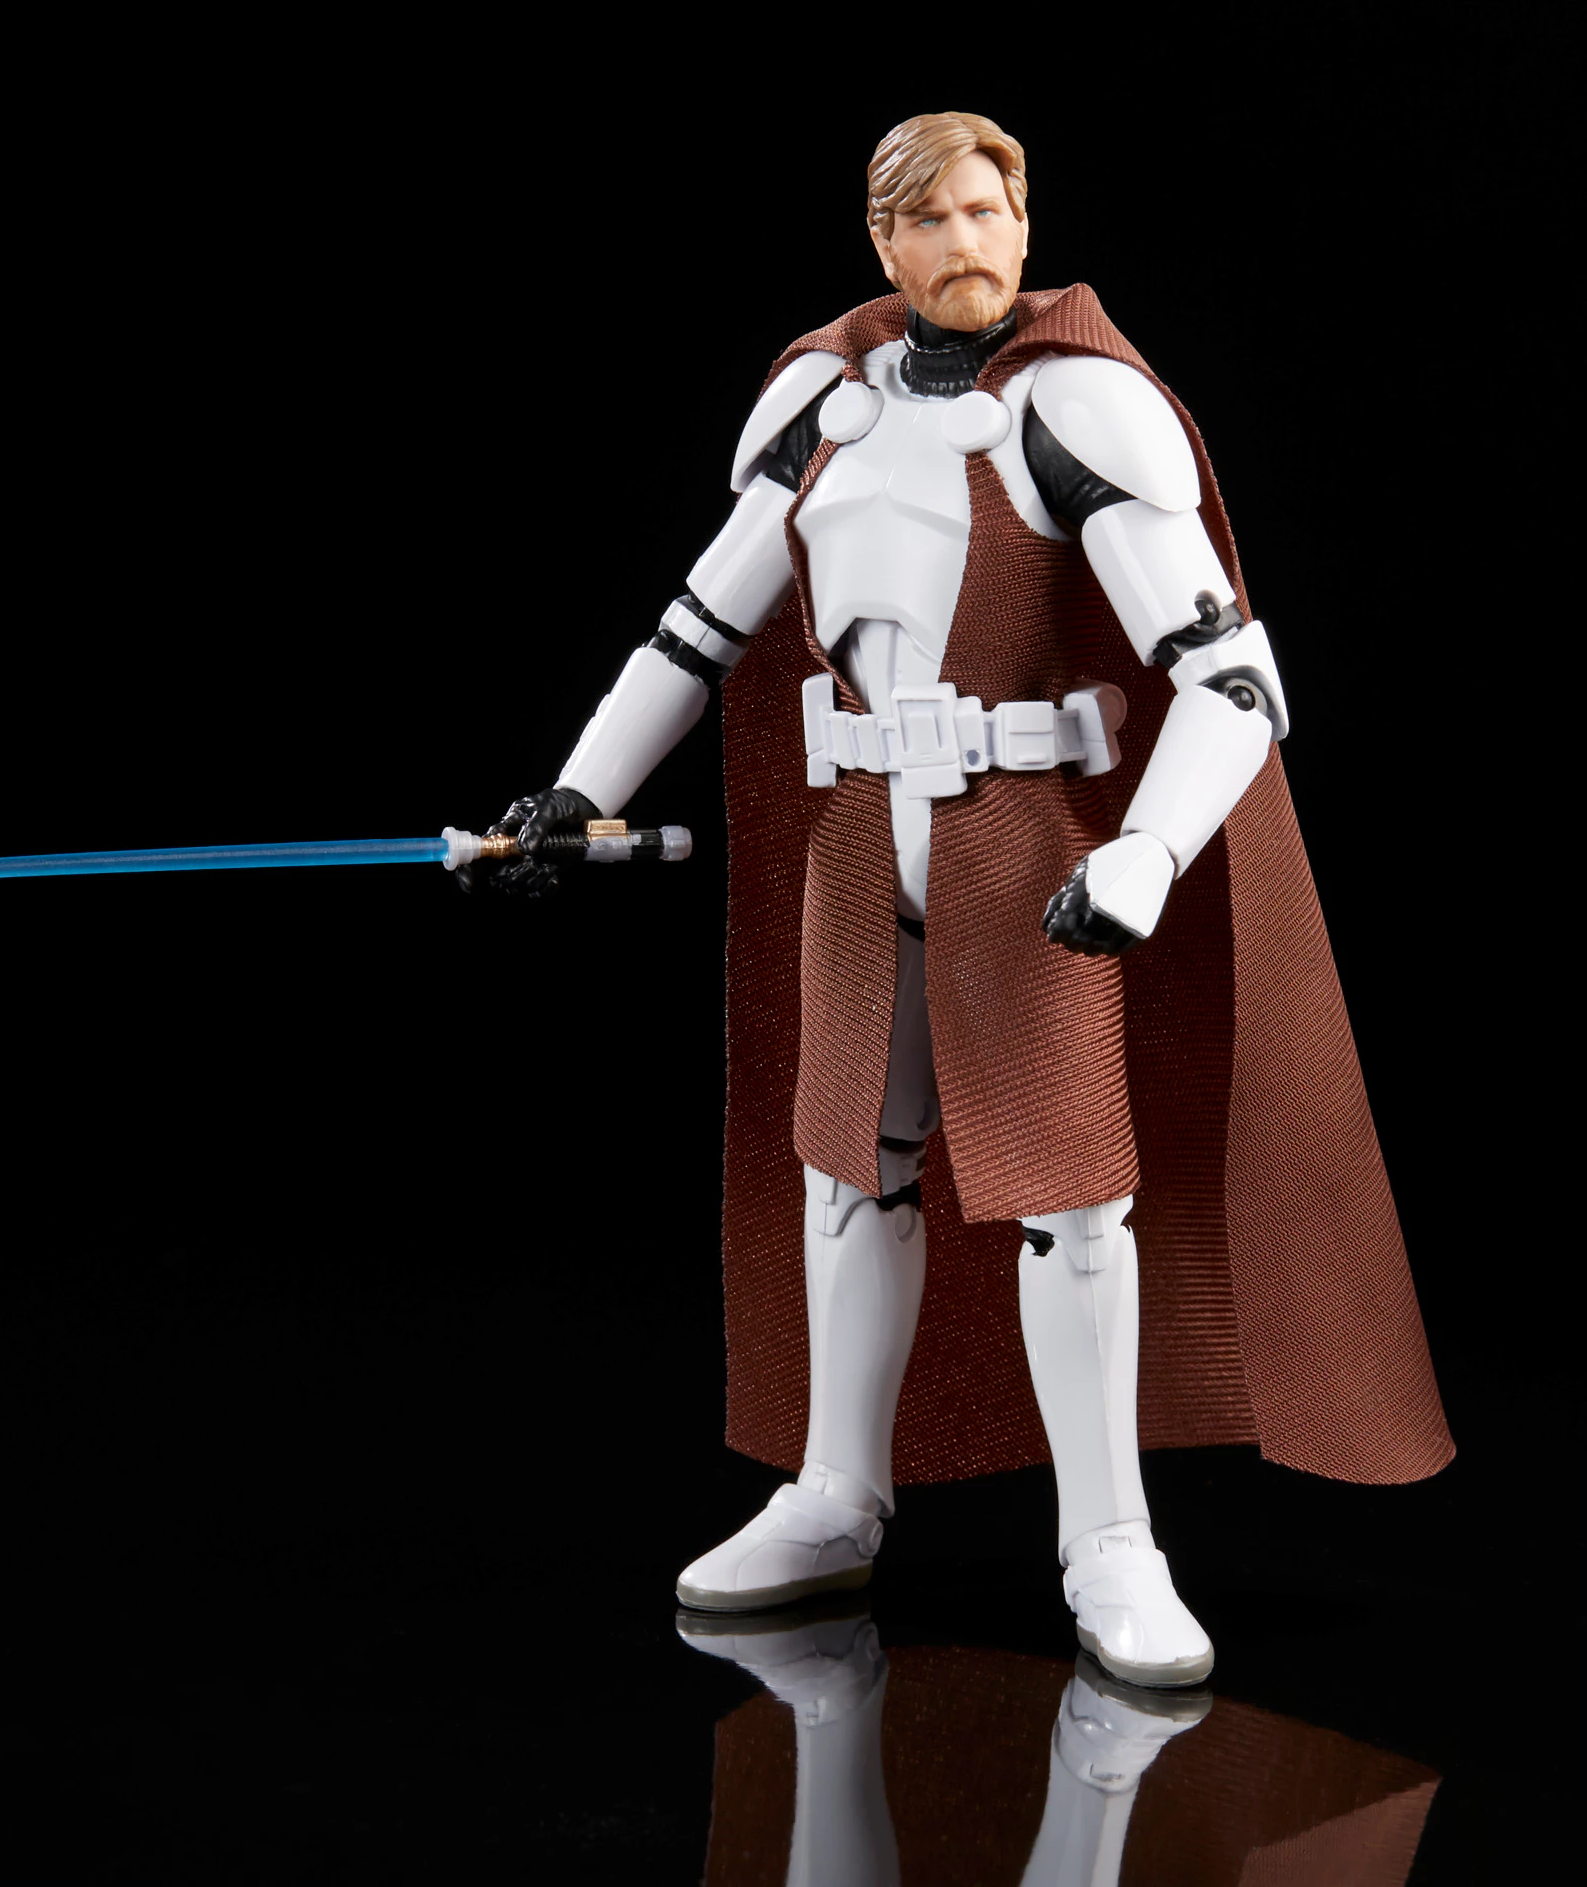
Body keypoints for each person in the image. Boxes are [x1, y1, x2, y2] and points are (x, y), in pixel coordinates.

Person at [474, 111, 1450, 1688]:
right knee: (850, 1178)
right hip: (862, 840)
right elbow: (698, 628)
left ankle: (1110, 1541)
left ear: (1025, 219)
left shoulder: (1077, 409)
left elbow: (1230, 677)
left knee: (1075, 1200)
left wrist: (1144, 854)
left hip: (1026, 851)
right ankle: (835, 1492)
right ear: (886, 243)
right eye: (928, 220)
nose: (964, 243)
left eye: (988, 210)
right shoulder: (827, 408)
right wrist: (579, 794)